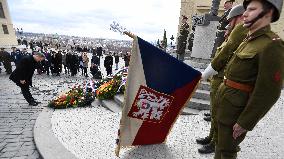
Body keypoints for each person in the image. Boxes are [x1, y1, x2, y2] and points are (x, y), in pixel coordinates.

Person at [213, 0, 284, 158]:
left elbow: (269, 92)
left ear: (268, 13)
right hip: (225, 104)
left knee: (226, 152)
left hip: (236, 112)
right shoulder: (248, 39)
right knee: (219, 145)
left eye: (251, 10)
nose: (244, 14)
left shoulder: (271, 45)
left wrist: (246, 121)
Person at [196, 4, 248, 154]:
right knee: (214, 113)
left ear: (239, 17)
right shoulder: (232, 32)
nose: (229, 24)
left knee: (219, 115)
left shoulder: (241, 30)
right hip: (220, 78)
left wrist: (206, 73)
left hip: (226, 79)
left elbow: (225, 55)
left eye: (231, 21)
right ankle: (212, 138)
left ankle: (215, 143)